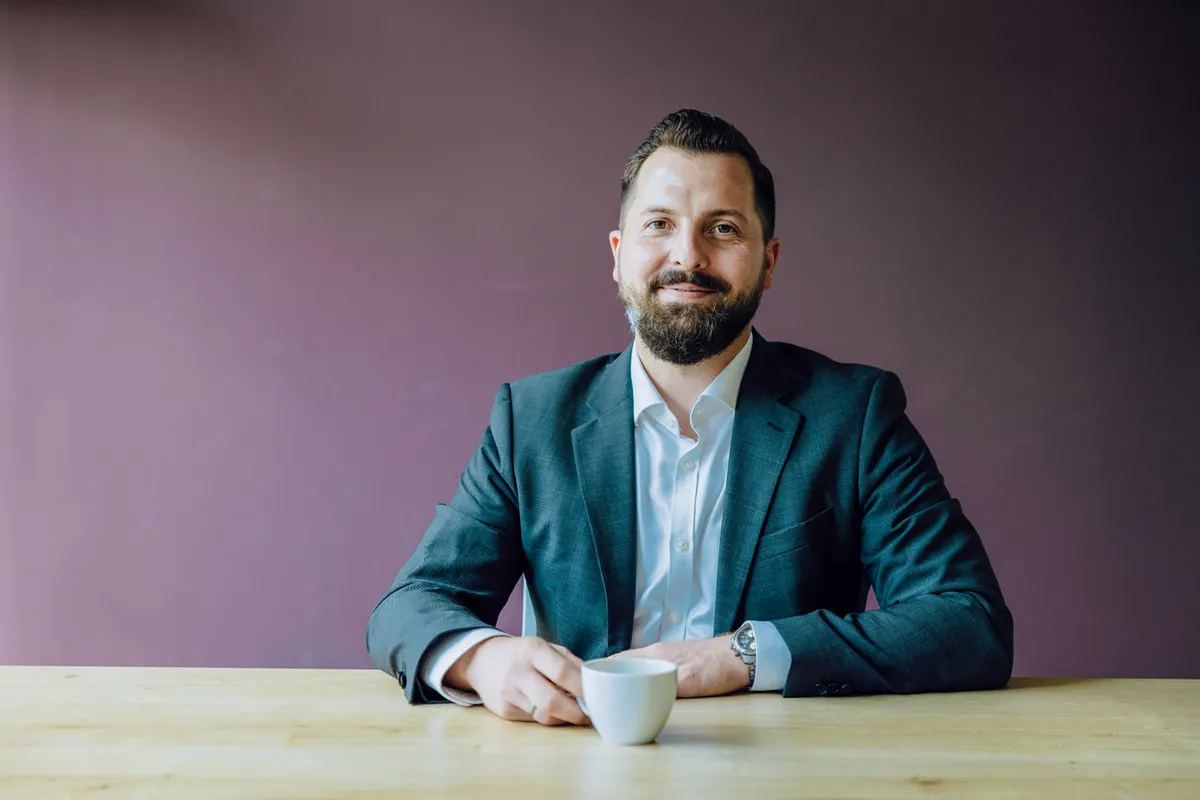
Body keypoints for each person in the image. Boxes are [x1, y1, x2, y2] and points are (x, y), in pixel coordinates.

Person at [366, 109, 1013, 726]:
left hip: (788, 776)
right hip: (575, 768)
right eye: (659, 225)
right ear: (618, 252)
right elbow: (409, 607)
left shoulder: (854, 414)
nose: (689, 256)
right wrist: (485, 657)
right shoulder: (530, 421)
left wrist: (738, 655)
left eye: (723, 228)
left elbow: (967, 618)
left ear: (769, 260)